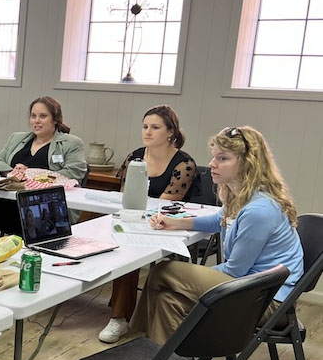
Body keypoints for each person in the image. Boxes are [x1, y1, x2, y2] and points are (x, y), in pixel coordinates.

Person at [129, 126, 304, 345]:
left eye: (223, 158)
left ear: (247, 163)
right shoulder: (243, 196)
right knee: (168, 300)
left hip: (267, 300)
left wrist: (192, 278)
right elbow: (218, 220)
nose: (212, 164)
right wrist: (177, 222)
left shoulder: (259, 210)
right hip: (253, 288)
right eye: (214, 157)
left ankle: (137, 341)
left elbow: (235, 271)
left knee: (164, 270)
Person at [99, 105, 198, 343]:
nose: (148, 132)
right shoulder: (134, 157)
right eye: (145, 127)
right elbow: (125, 195)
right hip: (135, 218)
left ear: (171, 132)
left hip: (164, 224)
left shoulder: (184, 163)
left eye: (155, 127)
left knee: (129, 249)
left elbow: (166, 203)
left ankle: (119, 319)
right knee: (92, 222)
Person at [0, 96, 86, 250]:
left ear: (55, 119)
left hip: (44, 204)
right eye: (33, 116)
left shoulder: (71, 143)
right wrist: (12, 172)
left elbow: (74, 171)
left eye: (43, 116)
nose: (36, 121)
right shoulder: (17, 138)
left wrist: (31, 174)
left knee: (27, 224)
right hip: (9, 198)